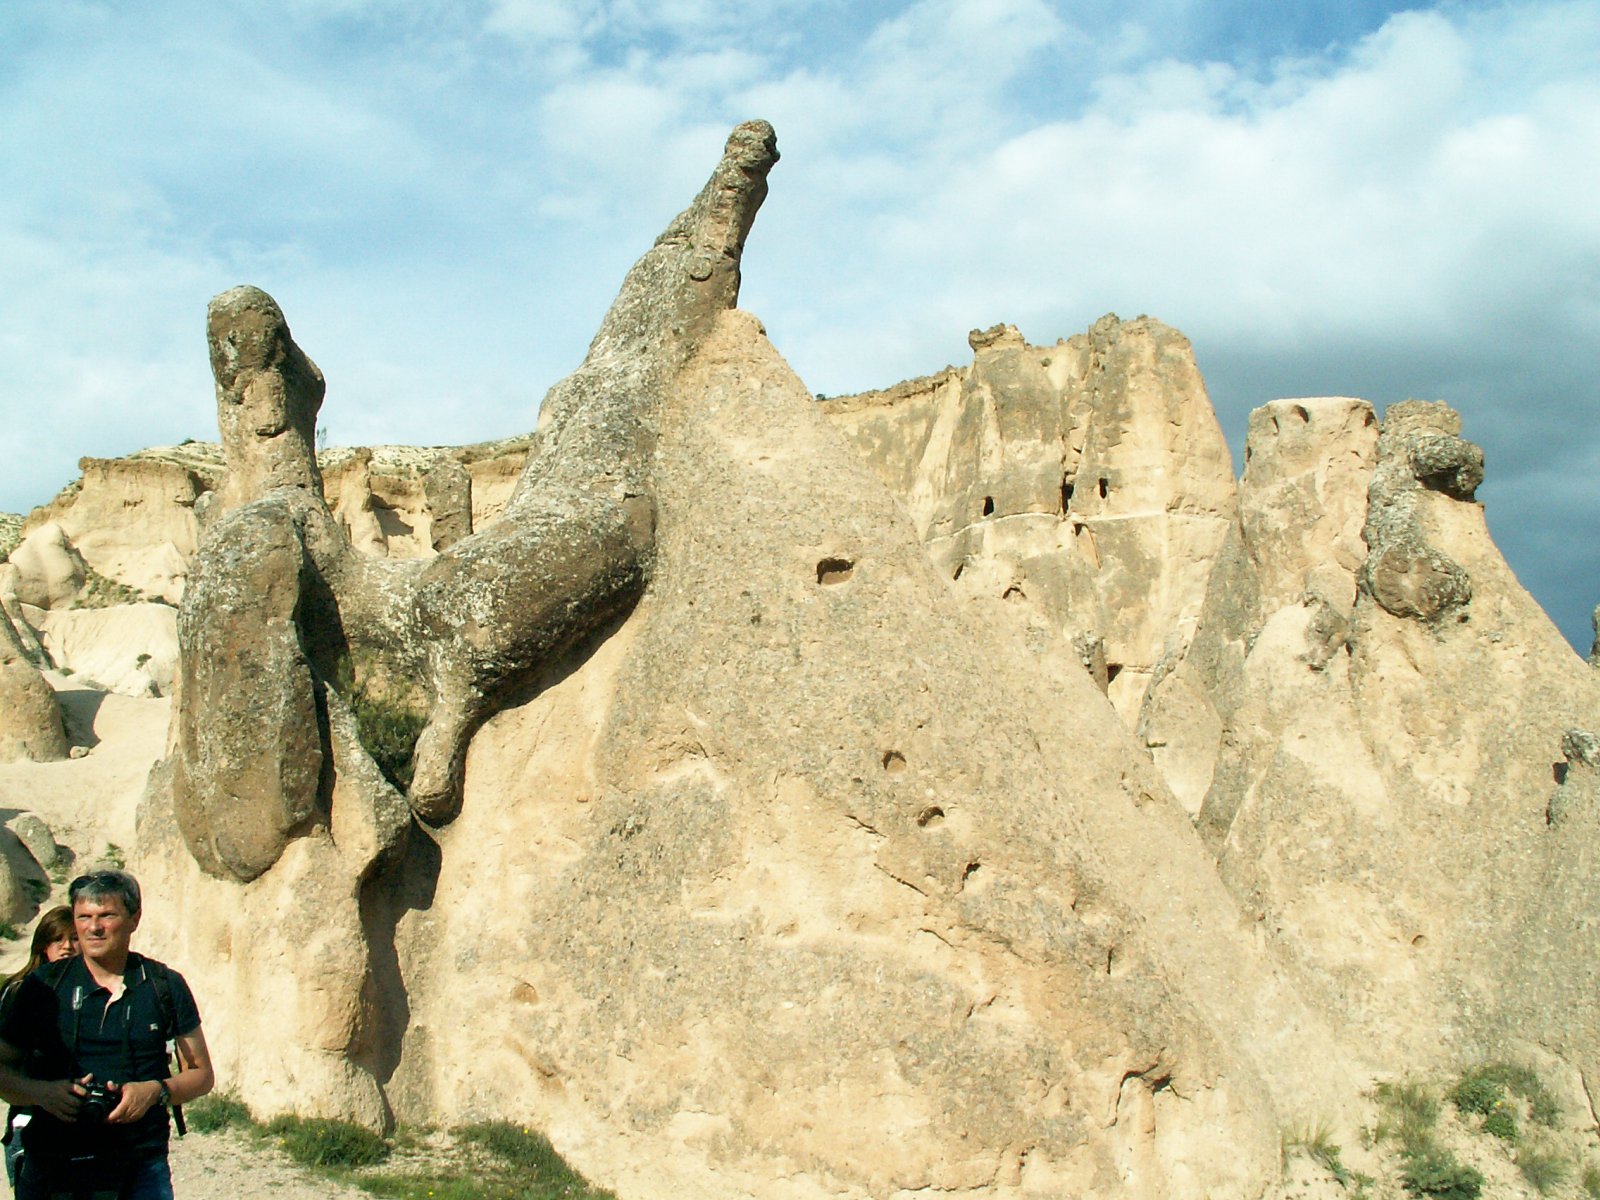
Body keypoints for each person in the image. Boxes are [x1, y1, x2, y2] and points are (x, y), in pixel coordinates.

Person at [0, 871, 214, 1199]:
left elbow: (201, 1075)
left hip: (140, 1166)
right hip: (52, 1163)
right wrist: (42, 1093)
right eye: (83, 917)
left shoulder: (163, 985)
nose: (93, 927)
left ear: (134, 918)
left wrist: (155, 1092)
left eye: (106, 915)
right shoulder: (43, 987)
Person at [1, 907, 78, 1188]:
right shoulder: (22, 992)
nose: (67, 947)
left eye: (73, 938)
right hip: (29, 1112)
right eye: (58, 939)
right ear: (44, 945)